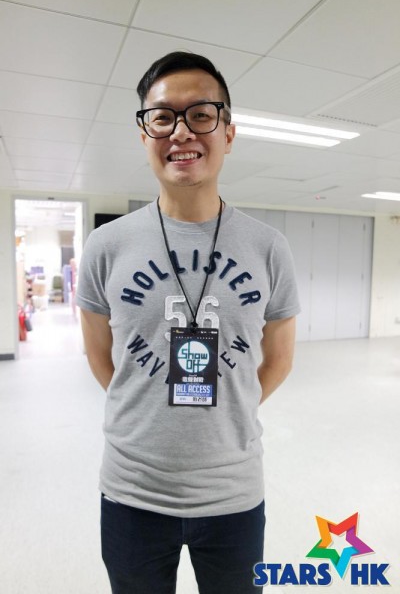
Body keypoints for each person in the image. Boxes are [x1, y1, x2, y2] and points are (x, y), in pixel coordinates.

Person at [76, 51, 300, 594]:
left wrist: (230, 405)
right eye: (163, 117)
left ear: (228, 132)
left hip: (233, 494)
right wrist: (146, 401)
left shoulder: (269, 248)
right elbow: (100, 357)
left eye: (201, 114)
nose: (181, 131)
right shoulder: (106, 246)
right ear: (144, 134)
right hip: (132, 492)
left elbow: (280, 359)